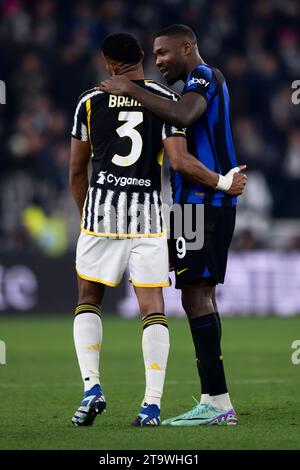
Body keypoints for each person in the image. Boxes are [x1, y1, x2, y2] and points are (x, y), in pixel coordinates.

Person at [100, 24, 244, 426]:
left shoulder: (205, 77)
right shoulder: (185, 88)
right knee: (196, 294)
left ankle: (217, 403)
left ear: (187, 47)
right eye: (154, 54)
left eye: (164, 53)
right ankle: (214, 398)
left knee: (196, 296)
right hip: (189, 204)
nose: (159, 61)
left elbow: (184, 114)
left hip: (205, 200)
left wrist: (132, 90)